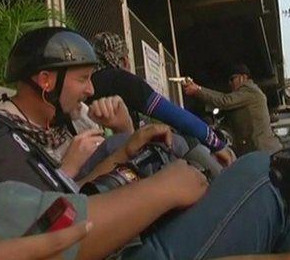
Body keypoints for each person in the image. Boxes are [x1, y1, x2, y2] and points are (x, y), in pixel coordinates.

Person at [0, 10, 290, 260]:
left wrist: (122, 149)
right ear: (46, 81)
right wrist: (162, 190)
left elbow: (49, 201)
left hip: (119, 235)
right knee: (270, 174)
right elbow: (45, 222)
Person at [0, 28, 135, 179]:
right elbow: (24, 199)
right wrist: (67, 169)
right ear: (45, 81)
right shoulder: (0, 136)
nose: (91, 90)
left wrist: (124, 129)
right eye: (83, 78)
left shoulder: (78, 116)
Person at [90, 31, 236, 166]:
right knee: (182, 143)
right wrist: (217, 144)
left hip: (92, 163)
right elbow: (174, 115)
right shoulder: (120, 79)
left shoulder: (90, 81)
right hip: (113, 163)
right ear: (123, 59)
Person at [183, 63, 281, 156]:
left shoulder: (249, 90)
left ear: (243, 77)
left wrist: (198, 90)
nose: (230, 83)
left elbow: (224, 100)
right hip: (258, 150)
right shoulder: (248, 94)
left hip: (260, 150)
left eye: (232, 79)